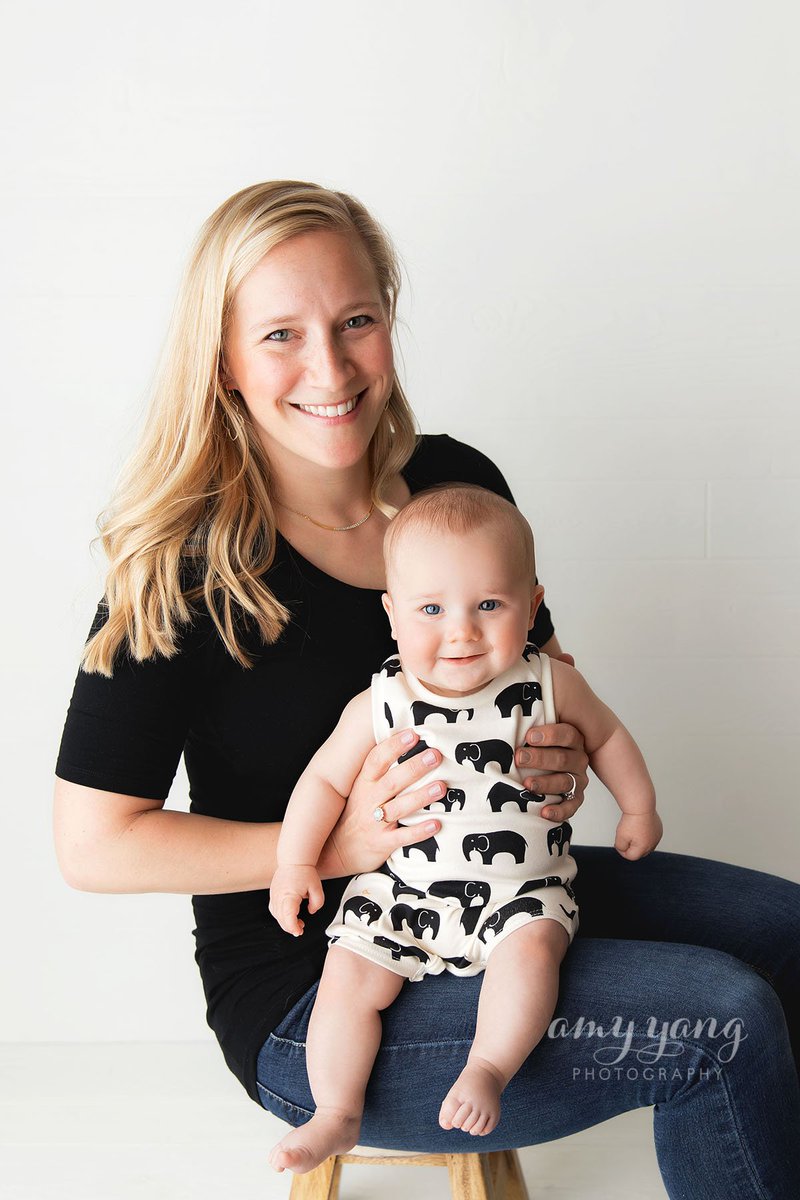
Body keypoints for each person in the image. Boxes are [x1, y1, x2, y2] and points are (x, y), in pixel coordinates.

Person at [53, 180, 800, 1199]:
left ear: (387, 320)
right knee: (721, 1017)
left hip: (506, 893)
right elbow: (93, 846)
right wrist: (334, 844)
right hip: (319, 980)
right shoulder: (187, 568)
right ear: (221, 360)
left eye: (354, 320)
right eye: (279, 334)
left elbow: (539, 684)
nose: (329, 365)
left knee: (787, 934)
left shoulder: (458, 485)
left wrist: (561, 764)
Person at [267, 484, 662, 1172]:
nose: (461, 630)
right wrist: (295, 863)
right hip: (403, 894)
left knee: (533, 953)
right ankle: (335, 1109)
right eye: (430, 609)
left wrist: (638, 807)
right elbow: (323, 783)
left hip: (520, 894)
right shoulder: (381, 701)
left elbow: (610, 739)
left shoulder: (547, 682)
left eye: (489, 605)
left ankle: (488, 1066)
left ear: (532, 607)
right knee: (347, 972)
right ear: (391, 615)